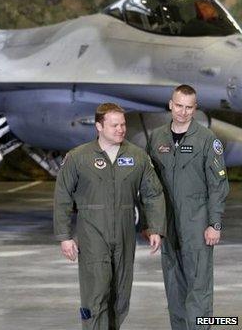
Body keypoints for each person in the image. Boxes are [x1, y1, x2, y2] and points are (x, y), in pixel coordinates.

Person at [54, 103, 166, 330]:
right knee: (96, 294)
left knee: (121, 296)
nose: (120, 129)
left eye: (123, 124)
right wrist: (65, 236)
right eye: (114, 125)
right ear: (98, 126)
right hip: (93, 234)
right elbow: (63, 196)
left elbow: (153, 193)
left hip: (125, 235)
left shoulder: (137, 157)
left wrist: (154, 227)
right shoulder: (78, 158)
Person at [146, 85, 229, 329]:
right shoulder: (157, 137)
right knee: (174, 289)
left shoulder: (206, 140)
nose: (183, 112)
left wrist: (214, 224)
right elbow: (151, 186)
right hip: (169, 226)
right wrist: (154, 225)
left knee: (199, 289)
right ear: (171, 105)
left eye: (189, 107)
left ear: (195, 109)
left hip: (197, 225)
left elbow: (218, 185)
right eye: (179, 105)